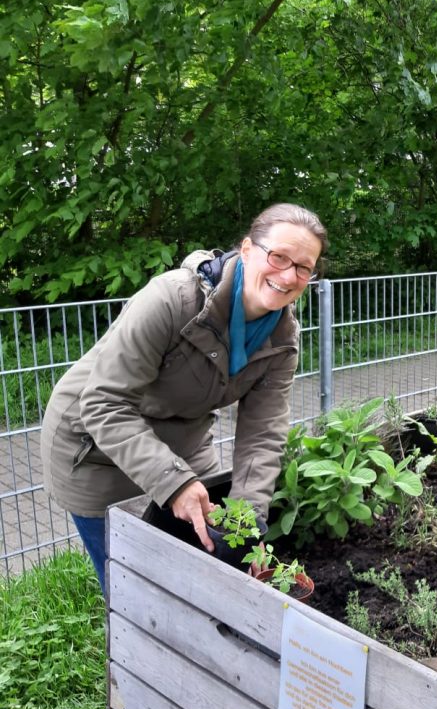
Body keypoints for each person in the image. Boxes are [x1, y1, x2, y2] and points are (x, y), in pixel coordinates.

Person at [42, 203, 327, 593]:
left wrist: (249, 517)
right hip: (95, 447)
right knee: (131, 585)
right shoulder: (172, 301)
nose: (288, 275)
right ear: (247, 250)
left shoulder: (281, 339)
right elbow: (103, 402)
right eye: (278, 257)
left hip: (183, 439)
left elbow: (263, 432)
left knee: (201, 569)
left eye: (303, 267)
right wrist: (173, 483)